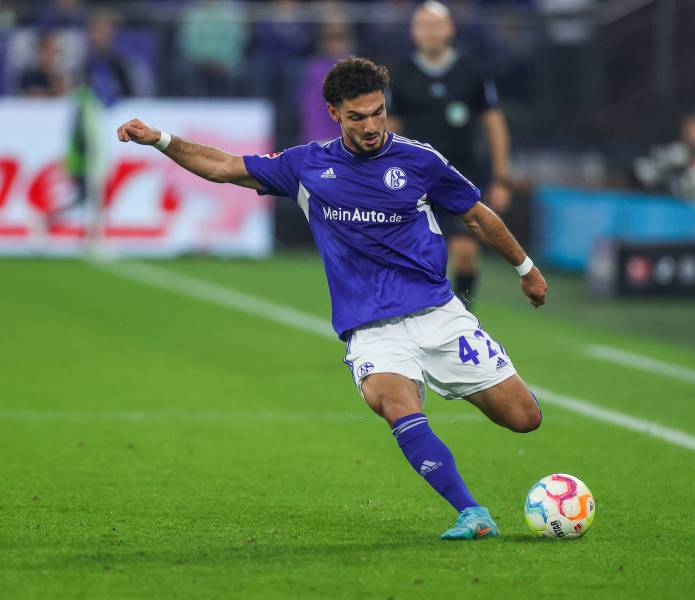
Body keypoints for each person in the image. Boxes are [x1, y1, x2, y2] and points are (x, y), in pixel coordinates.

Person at [116, 57, 547, 540]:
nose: (371, 126)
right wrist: (161, 139)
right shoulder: (307, 165)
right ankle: (472, 512)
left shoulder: (420, 161)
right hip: (371, 329)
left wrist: (526, 269)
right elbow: (223, 167)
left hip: (438, 315)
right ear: (334, 113)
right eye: (357, 117)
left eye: (378, 113)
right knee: (394, 403)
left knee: (524, 418)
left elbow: (477, 215)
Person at [388, 0, 512, 306]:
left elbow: (494, 124)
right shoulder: (401, 74)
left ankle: (464, 311)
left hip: (461, 175)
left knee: (465, 252)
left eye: (436, 25)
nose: (430, 32)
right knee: (418, 256)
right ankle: (419, 314)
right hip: (414, 179)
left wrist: (501, 178)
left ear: (449, 29)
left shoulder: (472, 71)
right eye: (423, 26)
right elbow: (389, 130)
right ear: (413, 32)